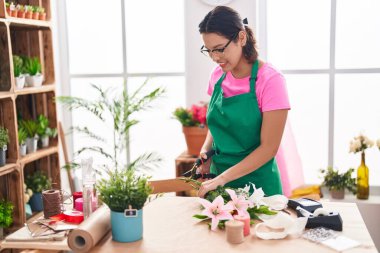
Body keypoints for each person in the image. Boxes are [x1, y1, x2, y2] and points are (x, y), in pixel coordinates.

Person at [197, 6, 290, 198]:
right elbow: (217, 126)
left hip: (259, 189)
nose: (215, 58)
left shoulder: (271, 80)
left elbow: (269, 148)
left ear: (241, 37)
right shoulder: (217, 76)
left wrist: (223, 178)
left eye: (220, 49)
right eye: (209, 50)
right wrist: (206, 150)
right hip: (219, 187)